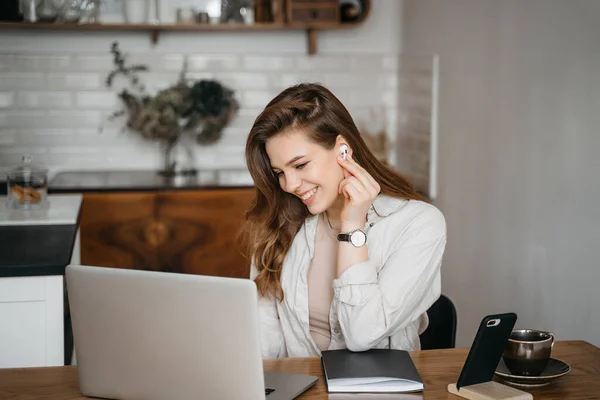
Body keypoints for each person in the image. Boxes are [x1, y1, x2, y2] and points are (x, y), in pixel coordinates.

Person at [241, 83, 447, 359]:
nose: (289, 184)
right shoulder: (278, 223)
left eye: (300, 165)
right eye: (279, 172)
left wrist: (352, 227)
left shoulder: (418, 224)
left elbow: (363, 334)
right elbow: (264, 343)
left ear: (342, 151)